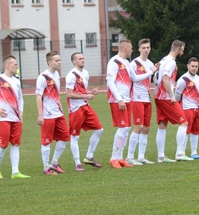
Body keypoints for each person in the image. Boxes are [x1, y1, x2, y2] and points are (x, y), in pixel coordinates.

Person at [0, 55, 29, 179]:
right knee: (3, 145)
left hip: (16, 118)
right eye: (15, 65)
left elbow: (20, 98)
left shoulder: (17, 81)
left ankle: (15, 172)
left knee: (16, 144)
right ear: (8, 66)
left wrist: (21, 111)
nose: (17, 67)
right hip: (3, 118)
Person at [65, 52, 103, 171]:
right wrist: (86, 96)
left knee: (99, 130)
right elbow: (69, 94)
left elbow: (81, 90)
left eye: (83, 58)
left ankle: (89, 157)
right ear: (74, 61)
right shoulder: (71, 75)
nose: (82, 60)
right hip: (76, 109)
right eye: (80, 59)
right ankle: (77, 163)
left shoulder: (85, 73)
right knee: (75, 136)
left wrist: (90, 92)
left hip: (85, 106)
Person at [155, 40, 191, 161]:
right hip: (165, 97)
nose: (183, 52)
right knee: (183, 122)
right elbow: (165, 79)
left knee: (162, 124)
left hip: (158, 96)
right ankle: (180, 153)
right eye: (182, 50)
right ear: (178, 50)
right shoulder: (171, 62)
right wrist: (171, 95)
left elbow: (157, 77)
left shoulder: (163, 59)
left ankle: (161, 156)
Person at [35, 50, 70, 174]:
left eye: (60, 60)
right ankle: (46, 167)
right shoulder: (43, 77)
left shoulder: (56, 75)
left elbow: (56, 94)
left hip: (58, 113)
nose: (59, 62)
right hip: (48, 115)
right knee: (46, 141)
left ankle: (54, 163)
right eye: (57, 60)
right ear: (49, 62)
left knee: (65, 137)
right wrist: (41, 114)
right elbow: (38, 96)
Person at [106, 39, 138, 168]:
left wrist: (152, 71)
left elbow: (135, 78)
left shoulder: (126, 62)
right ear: (125, 48)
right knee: (123, 128)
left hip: (127, 99)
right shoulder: (114, 62)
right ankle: (114, 157)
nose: (132, 50)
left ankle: (120, 157)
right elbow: (110, 81)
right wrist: (119, 99)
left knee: (127, 128)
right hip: (118, 100)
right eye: (131, 48)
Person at [127, 38, 156, 165]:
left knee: (146, 128)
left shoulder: (150, 64)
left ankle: (141, 156)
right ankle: (129, 157)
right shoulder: (134, 63)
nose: (146, 50)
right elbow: (135, 79)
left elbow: (152, 79)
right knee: (138, 126)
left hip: (147, 99)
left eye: (148, 47)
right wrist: (151, 72)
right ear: (139, 49)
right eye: (143, 48)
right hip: (137, 99)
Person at [175, 57, 199, 159]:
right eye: (192, 66)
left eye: (196, 66)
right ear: (188, 66)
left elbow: (197, 92)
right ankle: (182, 152)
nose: (194, 68)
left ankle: (194, 152)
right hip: (187, 108)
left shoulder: (198, 78)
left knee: (195, 130)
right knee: (186, 131)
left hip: (197, 108)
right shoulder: (183, 79)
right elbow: (177, 94)